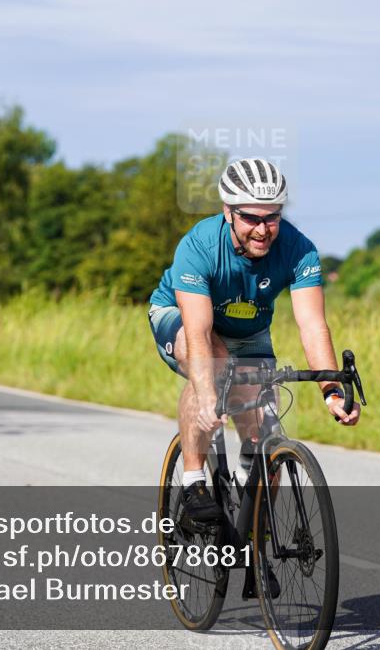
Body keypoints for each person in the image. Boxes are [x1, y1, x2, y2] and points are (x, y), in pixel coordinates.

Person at [148, 157, 361, 525]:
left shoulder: (299, 248)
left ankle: (254, 557)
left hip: (250, 331)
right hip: (182, 319)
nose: (263, 230)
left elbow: (312, 324)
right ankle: (194, 482)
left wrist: (331, 389)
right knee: (214, 366)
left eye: (273, 217)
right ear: (228, 211)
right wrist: (207, 394)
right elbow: (198, 331)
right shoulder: (199, 245)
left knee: (266, 436)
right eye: (252, 218)